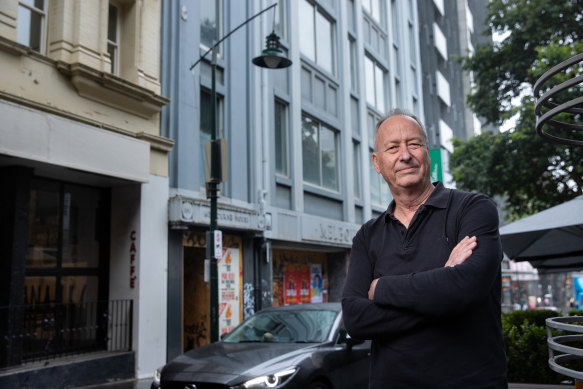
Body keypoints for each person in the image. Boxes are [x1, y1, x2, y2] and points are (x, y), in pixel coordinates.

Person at [341, 109, 508, 388]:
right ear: (377, 163)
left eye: (414, 144)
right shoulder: (368, 236)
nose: (404, 155)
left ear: (428, 153)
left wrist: (382, 288)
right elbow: (356, 321)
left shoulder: (473, 209)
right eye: (392, 148)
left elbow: (466, 288)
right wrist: (444, 282)